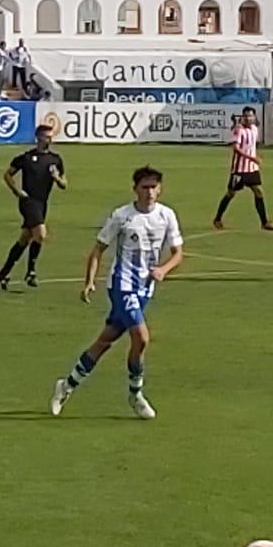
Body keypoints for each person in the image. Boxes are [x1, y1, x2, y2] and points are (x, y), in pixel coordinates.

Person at [53, 166, 184, 421]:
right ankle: (136, 395)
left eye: (153, 187)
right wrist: (90, 282)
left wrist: (164, 270)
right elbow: (98, 250)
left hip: (145, 289)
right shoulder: (122, 216)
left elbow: (178, 253)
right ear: (135, 189)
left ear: (160, 189)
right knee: (142, 338)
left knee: (104, 342)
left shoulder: (167, 216)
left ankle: (66, 385)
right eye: (144, 187)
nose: (149, 192)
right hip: (121, 285)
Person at [0, 123, 68, 290]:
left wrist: (57, 178)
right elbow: (8, 174)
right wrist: (16, 191)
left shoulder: (55, 160)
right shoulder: (27, 158)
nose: (49, 139)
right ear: (38, 137)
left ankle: (3, 272)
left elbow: (64, 184)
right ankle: (31, 272)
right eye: (46, 136)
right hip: (28, 201)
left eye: (51, 136)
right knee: (41, 234)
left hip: (42, 203)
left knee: (25, 238)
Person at [212, 105, 273, 231]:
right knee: (231, 193)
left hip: (252, 169)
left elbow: (252, 145)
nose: (248, 118)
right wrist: (251, 158)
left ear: (254, 117)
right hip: (239, 170)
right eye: (246, 116)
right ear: (242, 117)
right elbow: (236, 148)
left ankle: (264, 222)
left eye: (250, 116)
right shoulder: (239, 129)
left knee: (258, 191)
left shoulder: (254, 129)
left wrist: (255, 156)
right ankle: (217, 218)